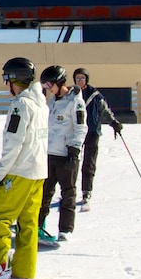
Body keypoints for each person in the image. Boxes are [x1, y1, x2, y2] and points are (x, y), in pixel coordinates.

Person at [0, 57, 49, 279]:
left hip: (18, 172)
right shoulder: (41, 104)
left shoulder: (20, 105)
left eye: (7, 80)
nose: (6, 86)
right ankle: (25, 270)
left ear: (15, 79)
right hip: (38, 173)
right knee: (28, 223)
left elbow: (14, 142)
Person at [38, 65, 88, 243]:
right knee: (43, 192)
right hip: (50, 153)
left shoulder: (75, 101)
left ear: (60, 82)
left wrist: (74, 148)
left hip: (67, 155)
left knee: (68, 193)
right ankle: (37, 227)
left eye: (49, 84)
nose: (47, 89)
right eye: (45, 86)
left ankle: (65, 230)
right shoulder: (52, 102)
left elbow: (81, 127)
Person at [72, 68, 123, 205]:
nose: (80, 81)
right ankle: (69, 191)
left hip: (92, 131)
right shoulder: (72, 95)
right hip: (75, 132)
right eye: (77, 78)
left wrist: (113, 122)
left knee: (89, 162)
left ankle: (86, 191)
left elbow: (105, 111)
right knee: (71, 162)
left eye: (82, 78)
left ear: (86, 80)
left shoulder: (95, 95)